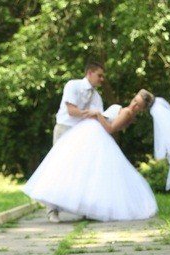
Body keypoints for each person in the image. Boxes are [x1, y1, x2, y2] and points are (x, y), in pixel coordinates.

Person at [23, 90, 158, 222]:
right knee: (83, 170)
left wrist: (98, 114)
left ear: (142, 109)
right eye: (135, 100)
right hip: (92, 131)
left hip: (98, 134)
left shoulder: (128, 113)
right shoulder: (123, 109)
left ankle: (67, 206)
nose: (134, 105)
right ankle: (76, 207)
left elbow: (110, 128)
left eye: (138, 105)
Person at [47, 61, 105, 222]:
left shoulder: (96, 96)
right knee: (58, 168)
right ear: (90, 73)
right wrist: (89, 113)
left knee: (81, 171)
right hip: (64, 129)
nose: (102, 80)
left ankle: (84, 208)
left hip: (82, 135)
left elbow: (99, 116)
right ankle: (52, 210)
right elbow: (72, 111)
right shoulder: (73, 86)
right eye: (99, 75)